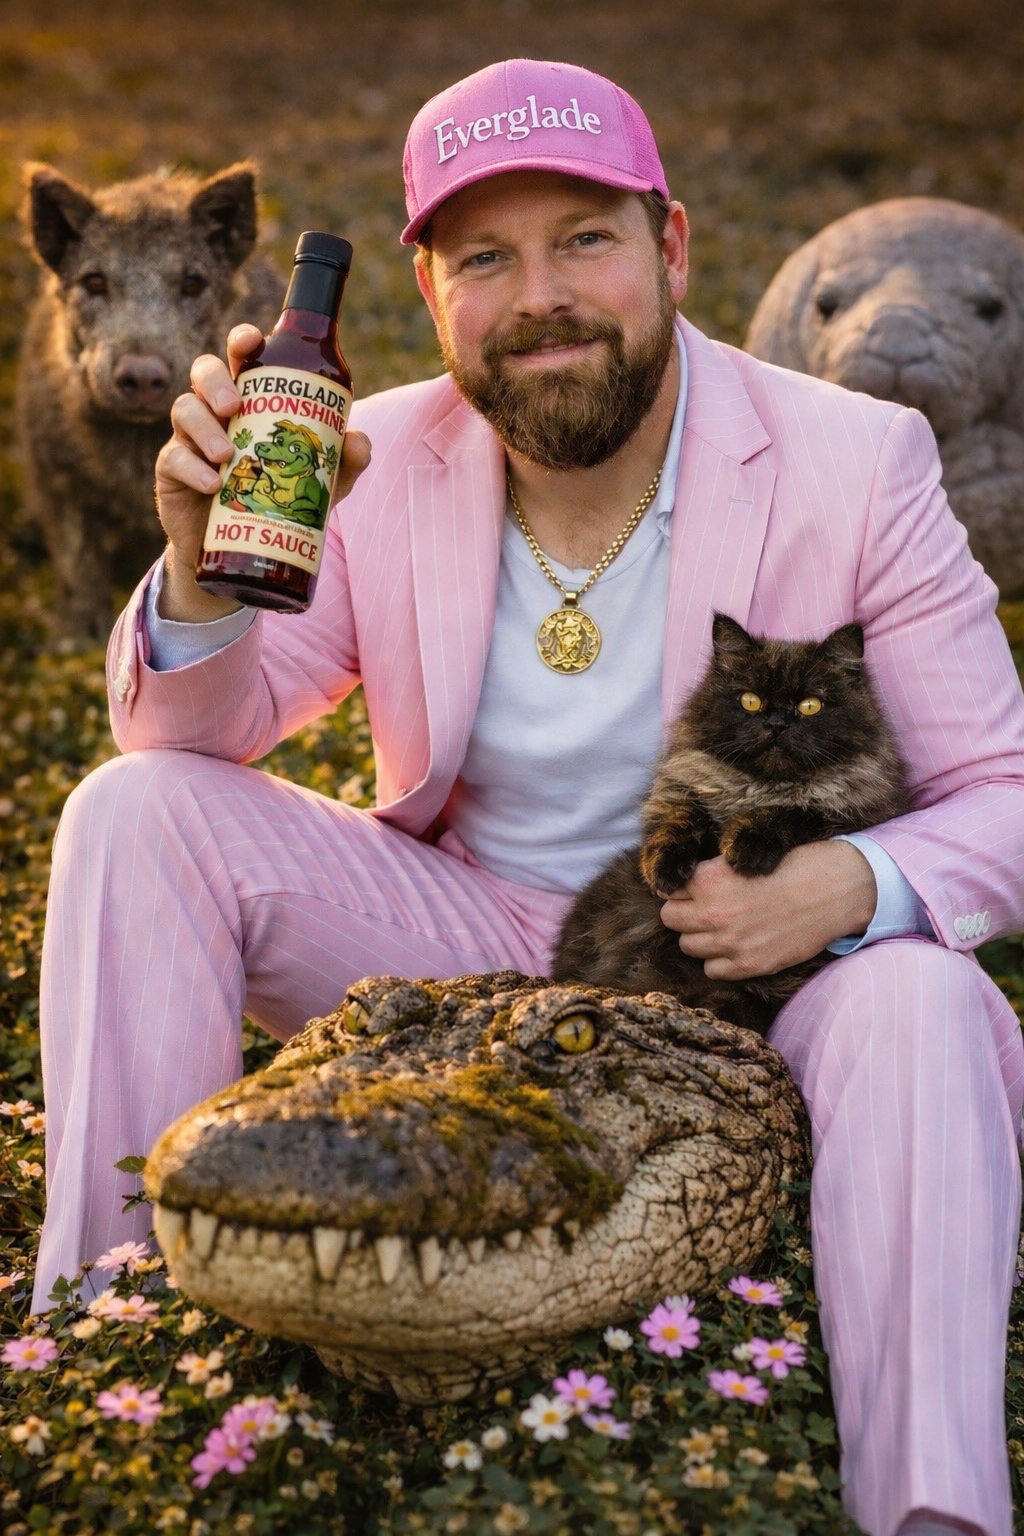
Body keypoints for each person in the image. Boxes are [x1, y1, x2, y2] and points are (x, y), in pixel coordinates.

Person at [33, 58, 1024, 1536]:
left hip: (752, 962)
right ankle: (117, 1338)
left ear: (671, 247)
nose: (540, 292)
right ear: (429, 290)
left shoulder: (856, 458)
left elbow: (1003, 789)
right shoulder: (368, 459)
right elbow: (199, 730)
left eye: (585, 238)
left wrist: (852, 889)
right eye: (485, 255)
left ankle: (933, 1510)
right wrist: (193, 565)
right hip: (460, 938)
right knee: (129, 808)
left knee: (926, 998)